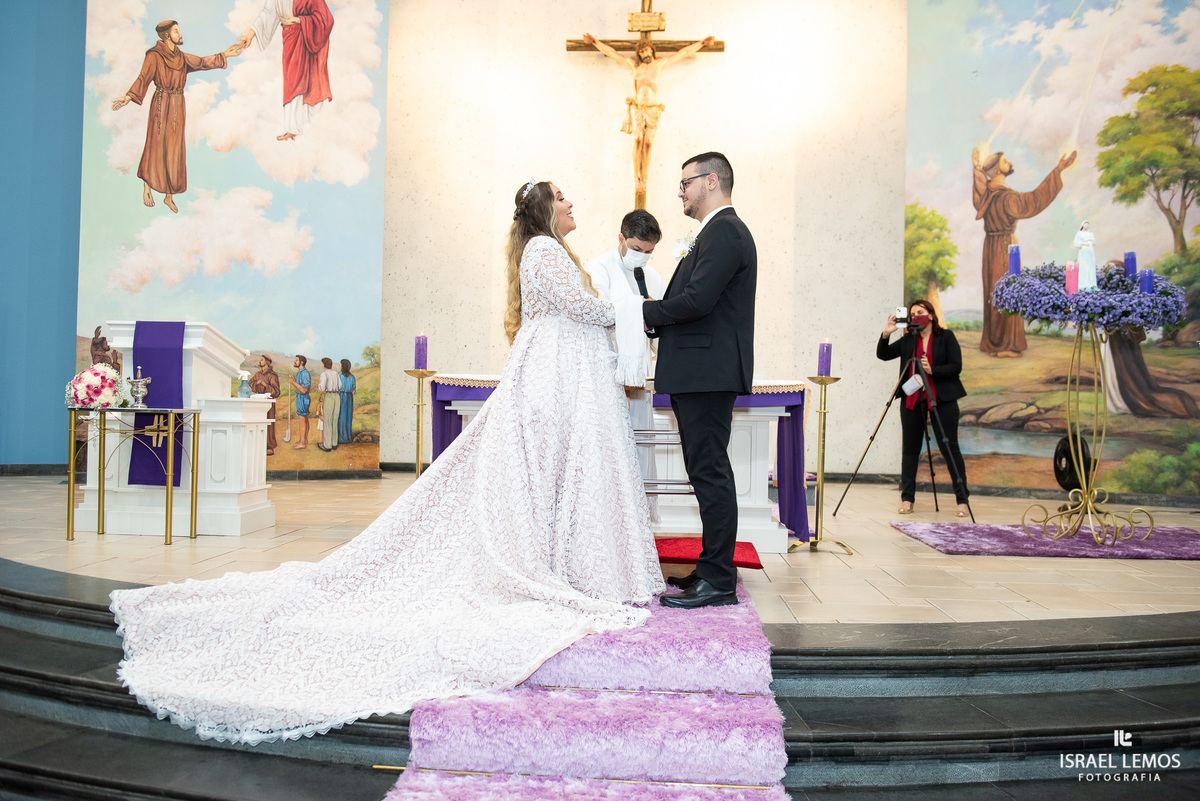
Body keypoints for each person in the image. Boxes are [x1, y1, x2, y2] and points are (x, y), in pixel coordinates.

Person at [108, 180, 663, 746]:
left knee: (545, 483)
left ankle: (561, 559)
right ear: (545, 209)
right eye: (563, 197)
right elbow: (579, 307)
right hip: (552, 378)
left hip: (558, 374)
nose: (573, 204)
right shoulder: (544, 250)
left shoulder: (551, 250)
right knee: (540, 480)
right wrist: (635, 305)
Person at [643, 152, 756, 609]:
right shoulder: (716, 232)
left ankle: (719, 580)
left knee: (709, 472)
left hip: (707, 372)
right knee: (705, 471)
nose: (681, 193)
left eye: (685, 183)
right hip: (702, 370)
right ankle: (712, 568)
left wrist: (646, 311)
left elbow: (697, 300)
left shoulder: (726, 230)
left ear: (711, 181)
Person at [112, 21, 241, 213]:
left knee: (174, 149)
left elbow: (202, 62)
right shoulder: (154, 56)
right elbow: (143, 78)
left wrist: (225, 55)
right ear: (166, 36)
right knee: (155, 145)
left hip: (178, 105)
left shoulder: (181, 57)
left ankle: (168, 196)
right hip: (161, 103)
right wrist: (128, 97)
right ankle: (147, 187)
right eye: (176, 31)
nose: (180, 34)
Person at [581, 33, 715, 202]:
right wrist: (594, 42)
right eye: (642, 51)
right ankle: (637, 178)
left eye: (647, 50)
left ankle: (645, 178)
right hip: (638, 107)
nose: (645, 53)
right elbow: (612, 53)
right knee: (637, 140)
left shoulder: (660, 64)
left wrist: (702, 43)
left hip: (652, 109)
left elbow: (683, 53)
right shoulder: (633, 66)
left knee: (649, 143)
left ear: (652, 51)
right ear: (639, 53)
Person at [585, 210, 665, 487]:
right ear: (621, 237)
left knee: (639, 446)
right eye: (636, 248)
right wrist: (639, 312)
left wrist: (655, 318)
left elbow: (662, 325)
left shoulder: (652, 276)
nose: (641, 256)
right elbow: (598, 315)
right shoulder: (597, 270)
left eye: (648, 251)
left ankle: (638, 513)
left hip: (639, 378)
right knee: (609, 449)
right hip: (607, 375)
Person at [971, 147, 1076, 357]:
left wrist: (975, 169)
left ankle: (995, 343)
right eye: (1004, 161)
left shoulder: (987, 194)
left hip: (991, 247)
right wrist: (1057, 171)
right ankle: (1004, 346)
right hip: (1005, 247)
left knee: (995, 292)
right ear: (995, 169)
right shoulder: (1006, 197)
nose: (1009, 162)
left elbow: (980, 189)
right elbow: (1034, 201)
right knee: (1006, 291)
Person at [877, 299, 970, 517]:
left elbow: (956, 367)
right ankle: (907, 499)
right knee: (910, 450)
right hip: (912, 398)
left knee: (950, 448)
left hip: (943, 399)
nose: (916, 315)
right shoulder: (908, 340)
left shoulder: (946, 337)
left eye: (920, 311)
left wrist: (932, 369)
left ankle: (962, 500)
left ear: (930, 314)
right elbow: (883, 355)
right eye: (913, 313)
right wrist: (886, 333)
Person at [237, 0, 334, 141]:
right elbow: (267, 14)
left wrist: (299, 20)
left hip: (309, 39)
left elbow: (326, 19)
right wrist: (250, 35)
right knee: (292, 82)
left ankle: (312, 128)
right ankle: (293, 128)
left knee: (312, 83)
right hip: (291, 39)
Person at [247, 355, 281, 455]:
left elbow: (276, 392)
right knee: (257, 422)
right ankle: (258, 444)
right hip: (259, 402)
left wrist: (266, 385)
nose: (259, 361)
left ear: (267, 362)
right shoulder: (258, 374)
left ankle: (269, 446)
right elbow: (249, 385)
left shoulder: (272, 375)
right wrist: (256, 383)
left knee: (268, 424)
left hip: (268, 403)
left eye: (261, 360)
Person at [315, 357, 341, 452]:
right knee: (335, 419)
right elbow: (340, 386)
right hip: (337, 396)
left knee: (327, 420)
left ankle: (327, 445)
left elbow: (322, 388)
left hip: (329, 396)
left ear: (324, 364)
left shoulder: (324, 374)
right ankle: (334, 443)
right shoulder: (336, 373)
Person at [286, 355, 311, 449]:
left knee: (302, 420)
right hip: (302, 398)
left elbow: (304, 389)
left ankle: (302, 443)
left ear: (301, 362)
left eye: (296, 360)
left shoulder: (304, 373)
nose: (294, 362)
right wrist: (295, 380)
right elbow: (300, 386)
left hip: (303, 398)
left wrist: (293, 382)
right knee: (305, 419)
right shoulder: (301, 372)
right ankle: (304, 440)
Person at [1074, 221, 1097, 291]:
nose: (1086, 226)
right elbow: (1076, 243)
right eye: (1085, 224)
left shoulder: (1090, 233)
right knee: (1083, 266)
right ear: (1082, 225)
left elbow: (1093, 242)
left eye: (1088, 224)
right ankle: (1083, 284)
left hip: (1090, 253)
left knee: (1090, 266)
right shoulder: (1079, 233)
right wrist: (1083, 243)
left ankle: (1091, 283)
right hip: (1083, 253)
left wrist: (1089, 240)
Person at [337, 359, 356, 444]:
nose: (339, 365)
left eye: (340, 364)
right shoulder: (352, 377)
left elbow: (337, 388)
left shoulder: (340, 376)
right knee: (348, 416)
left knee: (341, 416)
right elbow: (353, 389)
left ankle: (341, 438)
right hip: (349, 398)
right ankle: (347, 437)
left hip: (341, 396)